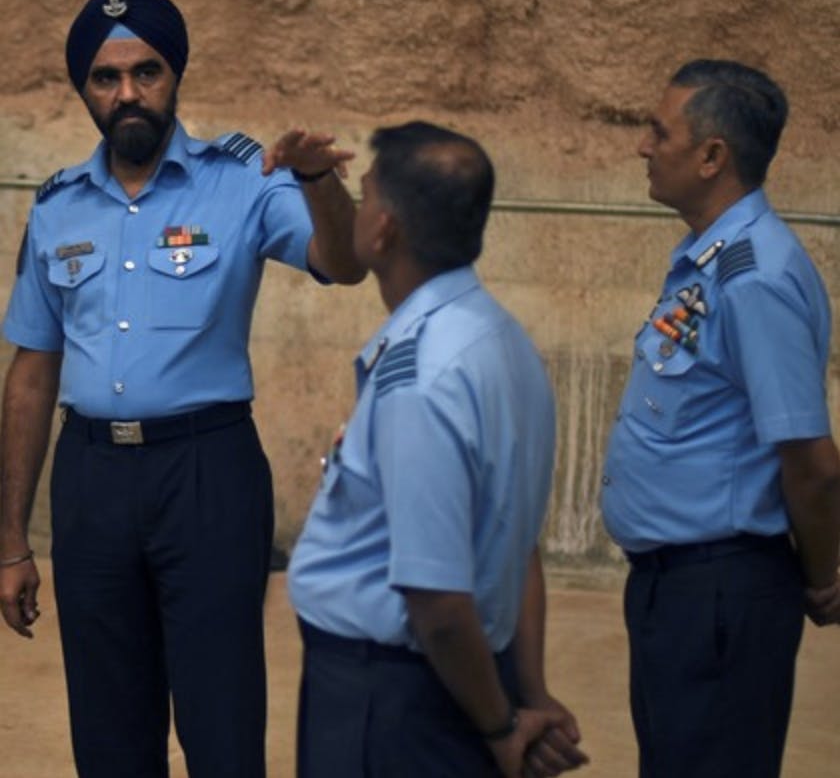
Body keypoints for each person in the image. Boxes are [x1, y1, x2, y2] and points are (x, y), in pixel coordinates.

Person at [0, 0, 365, 778]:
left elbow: (343, 263)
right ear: (85, 89)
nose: (128, 92)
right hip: (91, 481)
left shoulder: (244, 178)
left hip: (207, 476)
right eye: (106, 77)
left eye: (147, 71)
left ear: (176, 74)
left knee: (221, 725)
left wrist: (319, 184)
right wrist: (10, 539)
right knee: (109, 737)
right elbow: (31, 374)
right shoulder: (57, 206)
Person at [288, 120, 589, 778]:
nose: (358, 209)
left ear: (385, 228)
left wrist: (501, 727)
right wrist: (526, 694)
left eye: (366, 195)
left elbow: (439, 602)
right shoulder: (503, 340)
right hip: (470, 679)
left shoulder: (421, 377)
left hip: (394, 702)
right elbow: (518, 546)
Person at [600, 58, 840, 778]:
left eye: (659, 131)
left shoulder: (755, 278)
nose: (644, 146)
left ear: (712, 156)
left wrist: (823, 575)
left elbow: (812, 462)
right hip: (678, 591)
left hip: (720, 595)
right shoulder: (710, 262)